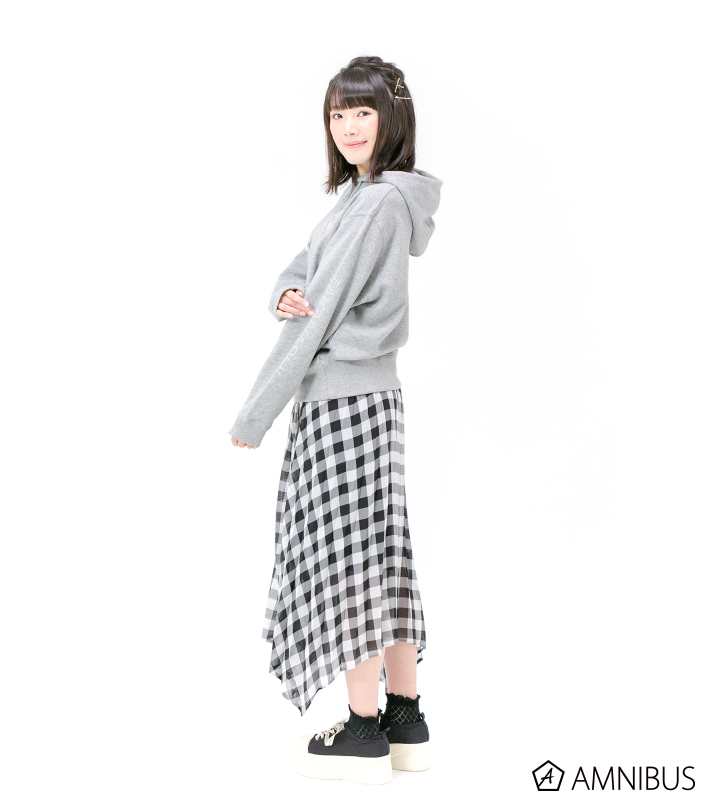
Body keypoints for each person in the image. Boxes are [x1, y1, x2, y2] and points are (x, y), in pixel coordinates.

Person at [228, 55, 443, 784]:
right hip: (370, 400)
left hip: (340, 401)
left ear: (392, 118)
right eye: (337, 114)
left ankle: (362, 729)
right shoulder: (365, 196)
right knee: (381, 551)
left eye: (362, 113)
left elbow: (316, 319)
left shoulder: (377, 204)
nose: (347, 127)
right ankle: (405, 718)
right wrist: (284, 290)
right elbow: (305, 273)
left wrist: (256, 412)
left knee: (349, 558)